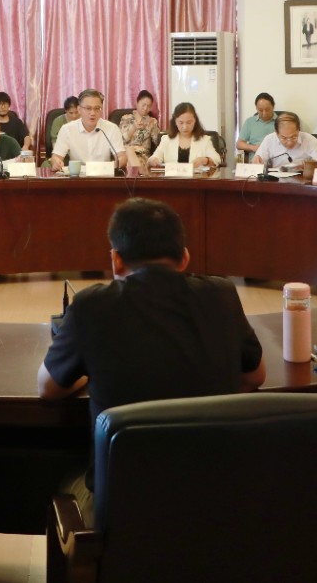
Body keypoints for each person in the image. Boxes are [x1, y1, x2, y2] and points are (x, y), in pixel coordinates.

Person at [38, 198, 265, 520]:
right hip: (212, 499)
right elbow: (255, 376)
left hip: (125, 507)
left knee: (61, 477)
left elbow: (47, 388)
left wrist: (89, 372)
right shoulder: (222, 294)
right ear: (184, 258)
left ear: (116, 260)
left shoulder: (92, 305)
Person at [49, 89, 126, 170]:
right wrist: (56, 162)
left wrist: (119, 162)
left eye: (97, 108)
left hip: (103, 173)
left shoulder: (112, 128)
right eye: (88, 108)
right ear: (79, 109)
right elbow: (56, 156)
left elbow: (121, 156)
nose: (93, 113)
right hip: (77, 175)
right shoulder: (67, 129)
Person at [148, 103, 221, 168]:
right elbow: (155, 157)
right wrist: (154, 160)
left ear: (195, 121)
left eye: (189, 122)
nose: (185, 127)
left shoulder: (204, 140)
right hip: (173, 178)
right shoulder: (166, 139)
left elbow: (217, 159)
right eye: (181, 123)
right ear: (175, 122)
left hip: (197, 178)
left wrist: (205, 160)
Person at [252, 111, 317, 171]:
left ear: (298, 130)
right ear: (276, 133)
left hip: (303, 182)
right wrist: (257, 163)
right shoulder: (269, 139)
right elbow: (257, 164)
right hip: (276, 182)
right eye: (284, 138)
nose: (289, 142)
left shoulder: (309, 140)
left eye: (294, 137)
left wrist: (307, 167)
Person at [117, 90, 161, 169]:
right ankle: (136, 173)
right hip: (125, 154)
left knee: (128, 162)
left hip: (142, 156)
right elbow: (121, 141)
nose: (145, 108)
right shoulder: (126, 118)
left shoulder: (152, 121)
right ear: (137, 103)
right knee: (127, 152)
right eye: (143, 105)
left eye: (149, 106)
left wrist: (151, 126)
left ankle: (134, 173)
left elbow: (157, 142)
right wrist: (133, 128)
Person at [236, 93, 277, 161]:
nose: (264, 113)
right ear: (256, 108)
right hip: (255, 160)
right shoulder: (250, 122)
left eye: (267, 109)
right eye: (260, 110)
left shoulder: (281, 122)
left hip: (275, 159)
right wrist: (253, 147)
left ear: (273, 106)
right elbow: (239, 144)